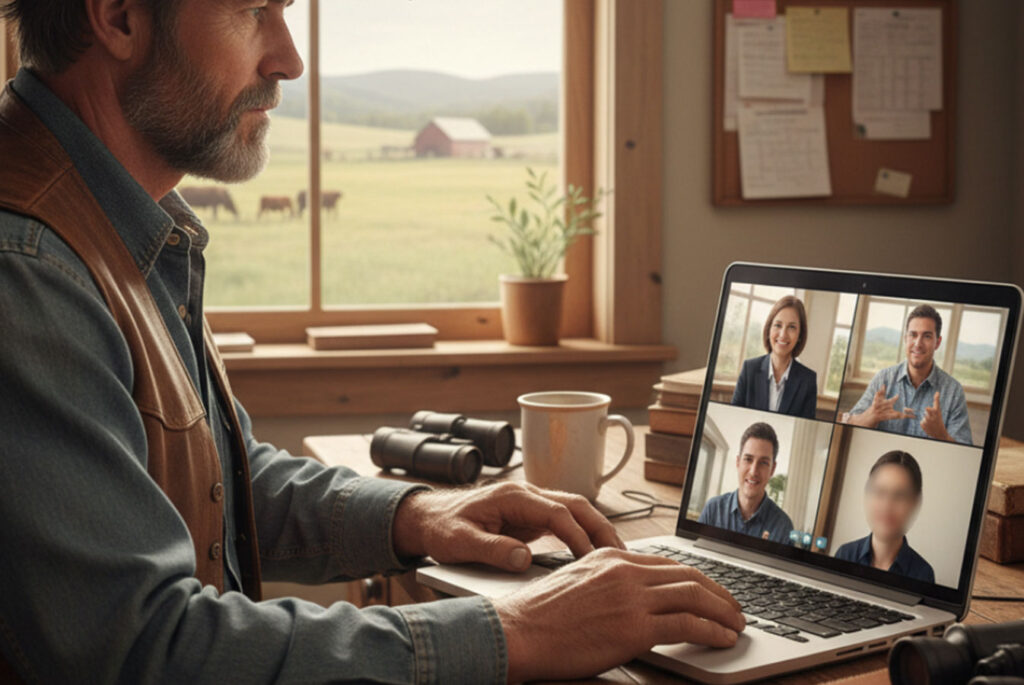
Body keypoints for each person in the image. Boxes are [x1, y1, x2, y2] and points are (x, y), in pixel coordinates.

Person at [0, 1, 746, 682]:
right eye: (253, 10)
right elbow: (144, 648)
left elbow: (217, 482)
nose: (290, 59)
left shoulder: (108, 222)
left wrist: (416, 514)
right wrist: (517, 629)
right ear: (119, 17)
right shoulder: (29, 268)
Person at [845, 304, 972, 445]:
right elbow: (847, 424)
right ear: (905, 338)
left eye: (927, 336)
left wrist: (941, 435)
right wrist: (871, 415)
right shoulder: (883, 379)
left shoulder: (954, 391)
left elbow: (965, 448)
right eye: (913, 335)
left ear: (937, 342)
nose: (918, 344)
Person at [834, 451, 935, 584]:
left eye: (899, 496)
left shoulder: (923, 573)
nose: (887, 506)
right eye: (880, 492)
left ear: (914, 504)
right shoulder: (845, 554)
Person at [698, 422, 795, 544]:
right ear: (738, 462)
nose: (753, 471)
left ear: (772, 469)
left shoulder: (784, 527)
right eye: (748, 459)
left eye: (763, 462)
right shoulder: (713, 509)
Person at [731, 295, 818, 419]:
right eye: (778, 325)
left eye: (792, 327)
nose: (783, 335)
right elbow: (735, 415)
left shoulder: (808, 380)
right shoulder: (749, 369)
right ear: (769, 329)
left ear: (800, 335)